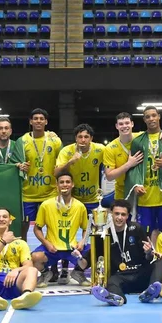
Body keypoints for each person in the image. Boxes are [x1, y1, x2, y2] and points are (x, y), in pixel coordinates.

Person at [80, 199, 162, 306]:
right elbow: (86, 262)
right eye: (117, 214)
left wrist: (149, 252)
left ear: (127, 216)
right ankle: (117, 298)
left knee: (160, 261)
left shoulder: (136, 228)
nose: (119, 217)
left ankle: (151, 292)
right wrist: (78, 257)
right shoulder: (103, 235)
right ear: (111, 214)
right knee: (111, 282)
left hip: (140, 274)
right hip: (121, 276)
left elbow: (148, 258)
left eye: (123, 214)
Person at [124, 106, 162, 244]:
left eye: (153, 115)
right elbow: (133, 168)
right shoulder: (138, 141)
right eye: (147, 116)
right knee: (143, 236)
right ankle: (147, 262)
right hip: (145, 198)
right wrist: (135, 185)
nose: (151, 119)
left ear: (159, 116)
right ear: (144, 119)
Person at [53, 123, 103, 284]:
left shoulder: (100, 149)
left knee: (94, 238)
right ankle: (64, 271)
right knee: (67, 233)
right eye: (80, 137)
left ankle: (81, 271)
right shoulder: (66, 151)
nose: (83, 140)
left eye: (86, 137)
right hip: (71, 200)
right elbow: (56, 173)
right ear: (75, 138)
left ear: (91, 139)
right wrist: (70, 162)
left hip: (93, 201)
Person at [0, 207, 43, 311]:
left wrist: (16, 270)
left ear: (10, 221)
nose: (1, 219)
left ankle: (25, 297)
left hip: (14, 281)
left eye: (5, 217)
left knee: (32, 270)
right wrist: (3, 242)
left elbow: (28, 265)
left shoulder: (21, 243)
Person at [31, 172, 90, 287]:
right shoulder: (46, 205)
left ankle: (78, 272)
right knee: (34, 257)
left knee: (95, 254)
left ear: (72, 184)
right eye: (61, 182)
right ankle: (45, 273)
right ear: (56, 185)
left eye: (68, 182)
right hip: (52, 248)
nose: (65, 185)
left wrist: (83, 241)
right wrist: (46, 243)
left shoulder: (80, 206)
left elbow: (85, 229)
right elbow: (37, 229)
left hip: (72, 249)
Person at [11, 108, 62, 242]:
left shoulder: (55, 141)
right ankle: (23, 251)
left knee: (52, 223)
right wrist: (19, 165)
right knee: (24, 224)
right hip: (28, 192)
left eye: (41, 119)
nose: (38, 121)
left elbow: (63, 163)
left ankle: (54, 249)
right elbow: (13, 163)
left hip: (50, 192)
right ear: (30, 122)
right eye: (35, 118)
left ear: (46, 122)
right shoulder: (22, 141)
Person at [103, 112, 162, 201]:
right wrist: (128, 164)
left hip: (142, 190)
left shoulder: (141, 137)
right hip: (122, 193)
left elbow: (156, 132)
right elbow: (109, 176)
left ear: (132, 124)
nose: (124, 126)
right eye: (121, 124)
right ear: (116, 126)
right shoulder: (110, 148)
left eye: (127, 123)